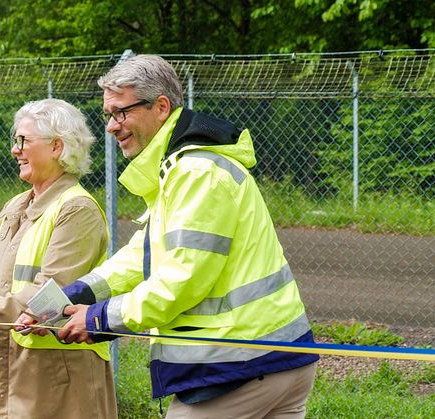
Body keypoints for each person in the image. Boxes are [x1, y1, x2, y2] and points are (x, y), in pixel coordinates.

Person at [31, 55, 319, 418]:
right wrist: (79, 293)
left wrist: (99, 318)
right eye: (108, 115)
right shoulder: (181, 166)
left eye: (120, 112)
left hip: (239, 364)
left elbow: (181, 280)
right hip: (271, 357)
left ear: (161, 107)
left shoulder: (195, 172)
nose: (111, 126)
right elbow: (147, 253)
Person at [0, 98, 117, 419]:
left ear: (56, 147)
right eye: (15, 141)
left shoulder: (77, 209)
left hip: (60, 378)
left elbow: (52, 291)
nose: (15, 150)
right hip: (14, 367)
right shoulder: (15, 205)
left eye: (23, 141)